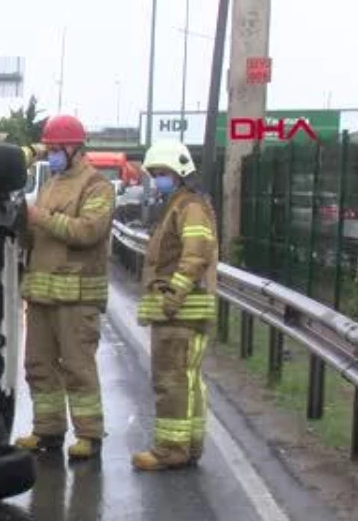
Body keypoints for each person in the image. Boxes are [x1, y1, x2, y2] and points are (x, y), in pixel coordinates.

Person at [12, 114, 115, 461]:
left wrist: (39, 217)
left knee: (77, 368)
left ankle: (89, 434)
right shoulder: (51, 183)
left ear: (75, 147)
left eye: (57, 148)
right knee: (38, 365)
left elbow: (88, 231)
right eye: (49, 148)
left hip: (77, 297)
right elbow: (37, 236)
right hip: (42, 295)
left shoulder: (97, 185)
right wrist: (22, 224)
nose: (52, 154)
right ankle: (48, 429)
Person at [132, 140, 219, 471]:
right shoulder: (184, 204)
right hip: (186, 311)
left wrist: (172, 298)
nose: (157, 179)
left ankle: (171, 450)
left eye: (163, 173)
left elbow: (195, 255)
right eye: (155, 174)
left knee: (171, 381)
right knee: (187, 380)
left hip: (181, 312)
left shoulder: (189, 208)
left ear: (180, 173)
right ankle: (189, 446)